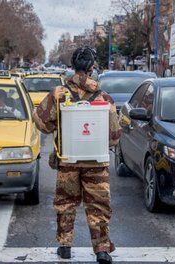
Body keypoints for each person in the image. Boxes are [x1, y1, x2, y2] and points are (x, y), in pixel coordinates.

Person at [32, 46, 121, 264]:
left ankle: (65, 246)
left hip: (68, 160)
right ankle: (101, 250)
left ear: (72, 67)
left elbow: (41, 123)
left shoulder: (58, 94)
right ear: (92, 68)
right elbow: (114, 136)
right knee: (98, 205)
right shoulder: (104, 98)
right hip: (97, 163)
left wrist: (58, 126)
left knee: (66, 203)